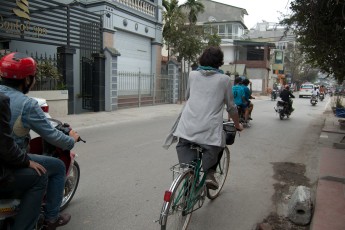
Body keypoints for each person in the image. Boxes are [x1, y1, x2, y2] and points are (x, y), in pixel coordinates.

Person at [0, 52, 80, 230]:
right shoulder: (27, 104)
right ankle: (51, 218)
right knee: (56, 167)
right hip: (7, 164)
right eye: (34, 77)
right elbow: (52, 135)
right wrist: (70, 140)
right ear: (28, 79)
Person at [163, 46, 243, 190]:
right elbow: (231, 108)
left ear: (202, 59)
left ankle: (188, 177)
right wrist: (238, 125)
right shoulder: (224, 80)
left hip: (186, 128)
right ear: (220, 62)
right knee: (220, 143)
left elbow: (188, 96)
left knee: (187, 155)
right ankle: (210, 174)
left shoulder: (193, 75)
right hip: (208, 131)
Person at [0, 92, 48, 230]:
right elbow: (5, 147)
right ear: (28, 80)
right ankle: (51, 218)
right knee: (41, 175)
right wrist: (26, 161)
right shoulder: (7, 101)